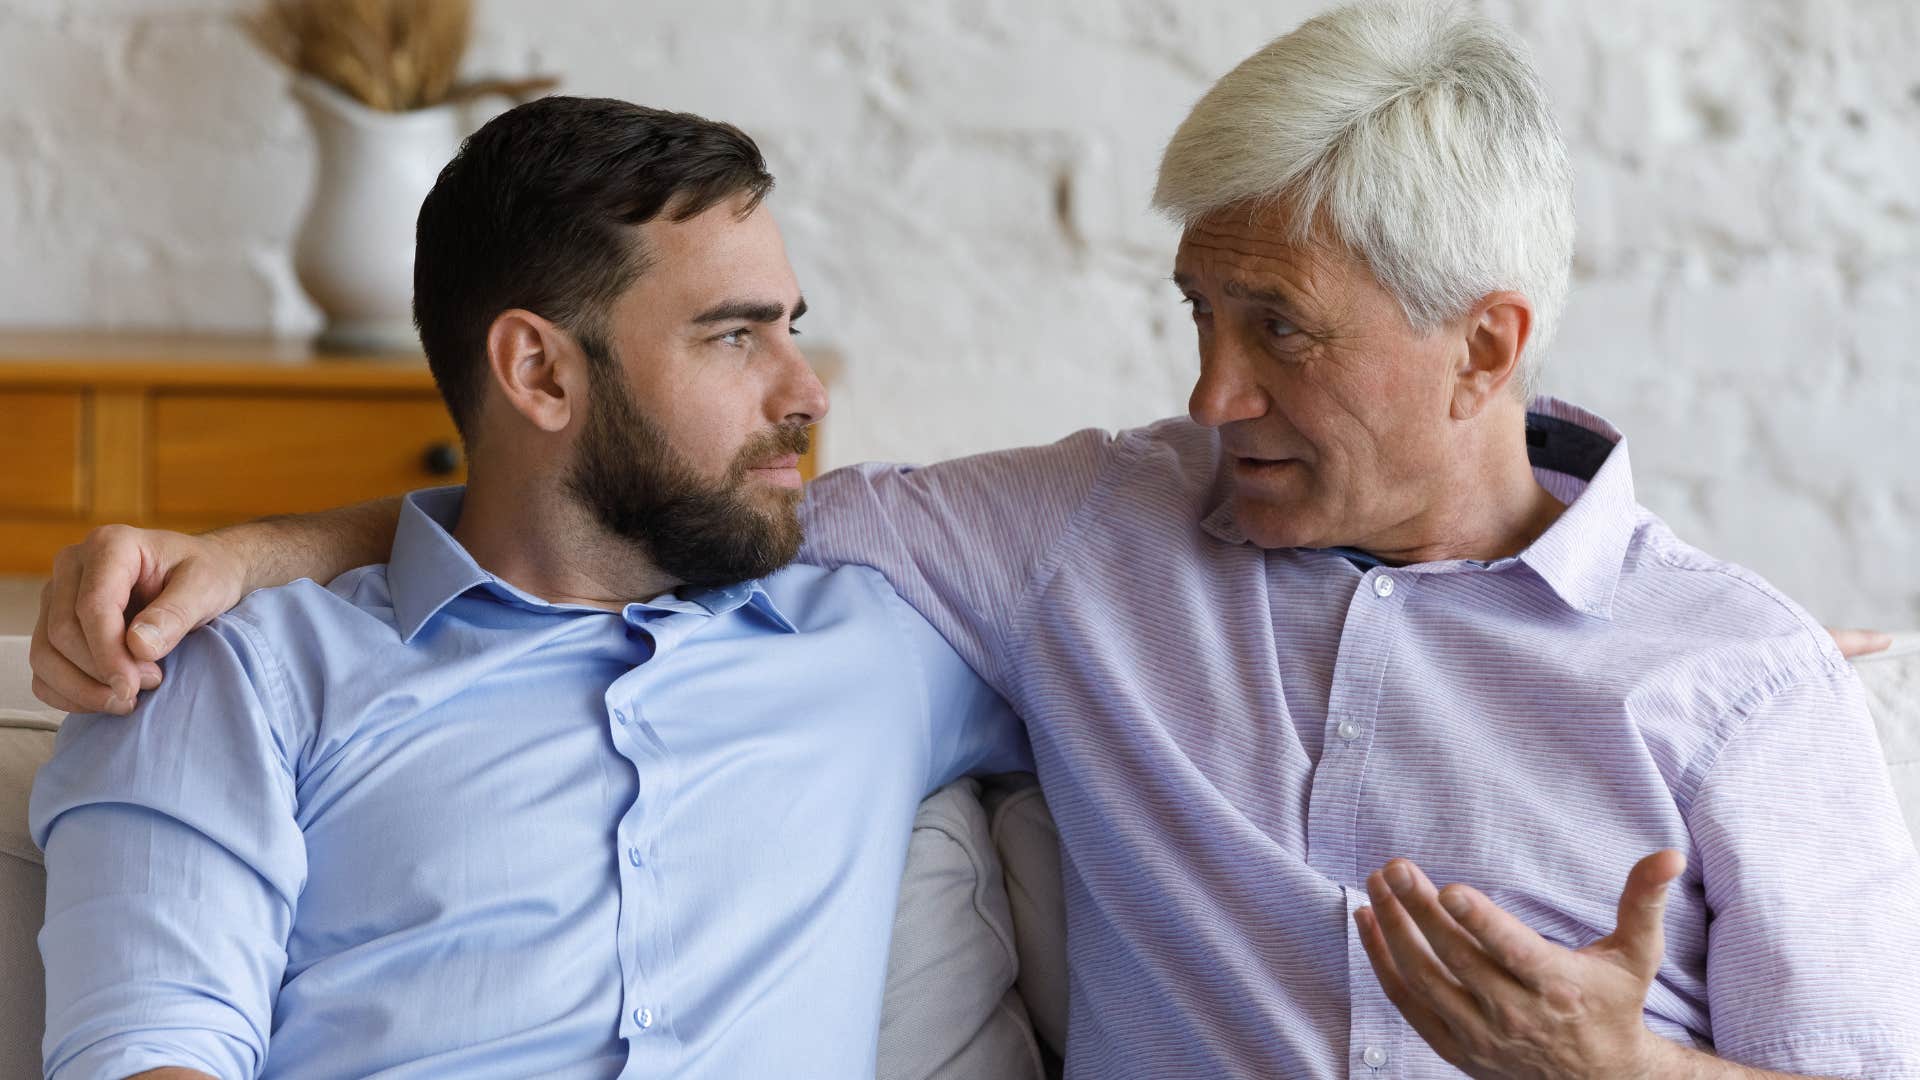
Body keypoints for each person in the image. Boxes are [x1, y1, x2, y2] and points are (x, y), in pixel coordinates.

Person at [32, 2, 1920, 1077]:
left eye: (1281, 332)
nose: (1212, 396)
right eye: (1199, 315)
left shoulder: (1731, 687)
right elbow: (607, 522)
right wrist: (266, 552)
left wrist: (1636, 1072)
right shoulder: (1084, 539)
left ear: (1487, 346)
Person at [28, 98, 1030, 1079]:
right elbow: (151, 1044)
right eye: (735, 336)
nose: (806, 393)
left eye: (791, 330)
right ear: (538, 372)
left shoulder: (883, 643)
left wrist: (257, 546)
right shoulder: (233, 678)